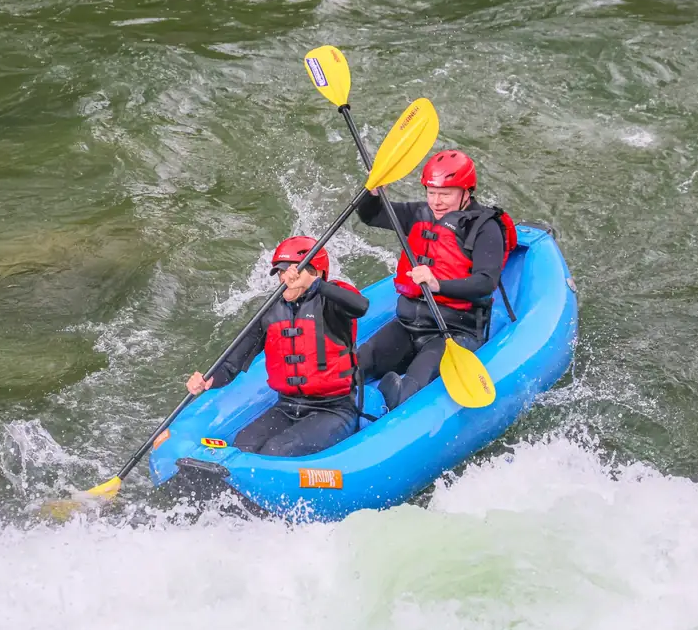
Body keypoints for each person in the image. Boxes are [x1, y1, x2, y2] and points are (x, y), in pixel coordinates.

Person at [355, 149, 517, 411]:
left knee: (410, 395)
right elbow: (371, 215)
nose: (437, 201)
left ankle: (390, 401)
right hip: (408, 325)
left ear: (466, 192)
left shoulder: (485, 227)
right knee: (352, 368)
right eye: (431, 193)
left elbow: (486, 282)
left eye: (445, 194)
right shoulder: (418, 213)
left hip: (453, 332)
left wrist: (437, 284)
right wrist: (371, 191)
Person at [185, 236, 369, 457]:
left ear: (316, 272)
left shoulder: (331, 302)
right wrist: (208, 380)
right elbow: (231, 364)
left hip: (335, 409)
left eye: (291, 273)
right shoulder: (270, 312)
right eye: (281, 273)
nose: (285, 279)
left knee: (277, 449)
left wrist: (314, 285)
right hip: (288, 406)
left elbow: (360, 306)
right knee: (244, 444)